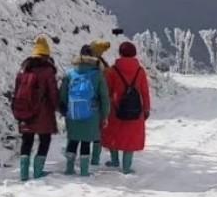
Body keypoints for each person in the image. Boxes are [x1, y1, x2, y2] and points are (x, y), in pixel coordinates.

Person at [11, 36, 59, 181]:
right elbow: (53, 93)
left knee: (27, 140)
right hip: (43, 113)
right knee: (45, 139)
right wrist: (59, 107)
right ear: (46, 54)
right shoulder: (48, 71)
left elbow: (16, 90)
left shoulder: (23, 70)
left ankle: (24, 173)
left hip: (25, 111)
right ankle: (38, 171)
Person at [59, 44, 110, 176]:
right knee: (86, 141)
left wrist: (64, 110)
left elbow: (63, 95)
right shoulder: (98, 74)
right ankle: (84, 170)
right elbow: (104, 97)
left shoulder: (70, 74)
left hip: (73, 112)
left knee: (73, 140)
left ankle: (69, 168)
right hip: (92, 114)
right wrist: (105, 115)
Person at [102, 41, 152, 174]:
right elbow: (145, 92)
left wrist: (105, 107)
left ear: (120, 53)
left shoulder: (112, 71)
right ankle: (126, 166)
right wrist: (146, 108)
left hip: (116, 109)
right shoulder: (140, 71)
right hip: (135, 110)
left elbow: (106, 91)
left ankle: (114, 160)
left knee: (114, 134)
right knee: (130, 138)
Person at [88, 40, 113, 166]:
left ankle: (83, 158)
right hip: (98, 100)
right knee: (98, 131)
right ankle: (95, 158)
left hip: (86, 100)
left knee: (85, 130)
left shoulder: (85, 62)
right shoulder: (99, 64)